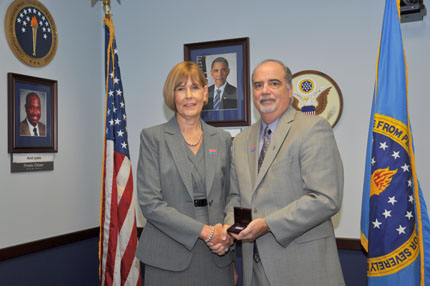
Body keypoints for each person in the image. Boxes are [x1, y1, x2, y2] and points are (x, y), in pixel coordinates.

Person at [227, 59, 345, 286]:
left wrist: (268, 223)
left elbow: (325, 198)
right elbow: (234, 196)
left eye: (274, 83)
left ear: (289, 90)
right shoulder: (242, 141)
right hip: (255, 270)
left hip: (303, 269)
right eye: (258, 85)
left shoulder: (312, 129)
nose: (265, 91)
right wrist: (227, 225)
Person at [135, 61, 235, 285]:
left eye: (195, 87)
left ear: (205, 94)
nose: (189, 95)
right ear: (172, 96)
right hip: (168, 258)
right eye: (181, 89)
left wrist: (227, 231)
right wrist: (204, 232)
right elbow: (150, 203)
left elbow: (233, 195)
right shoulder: (153, 138)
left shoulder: (223, 139)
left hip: (217, 254)